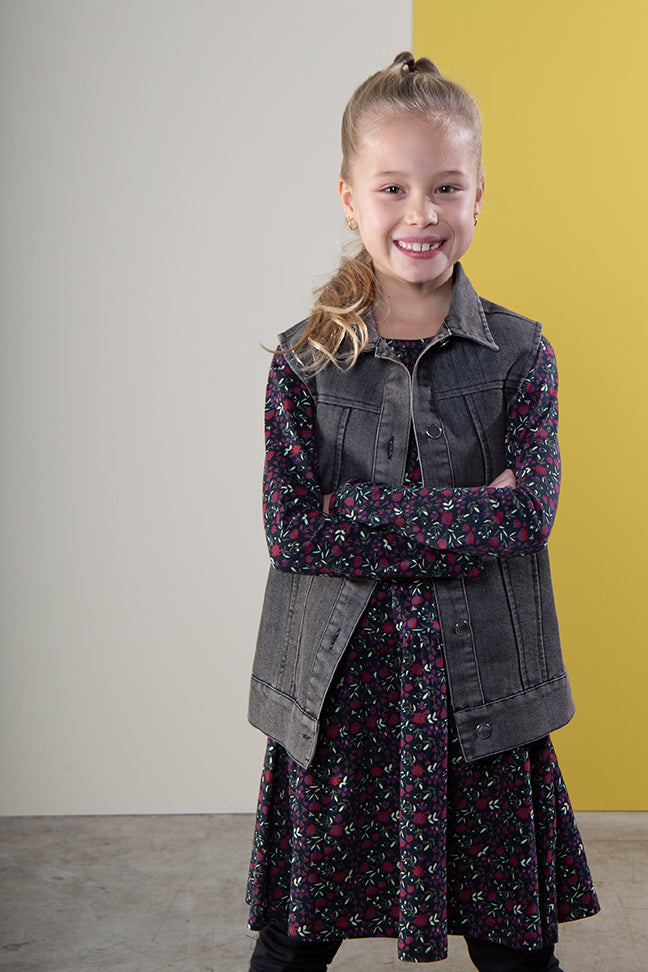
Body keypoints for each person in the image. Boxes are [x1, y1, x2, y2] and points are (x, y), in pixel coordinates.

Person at [245, 52, 599, 971]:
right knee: (294, 944)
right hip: (340, 700)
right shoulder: (303, 361)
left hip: (484, 698)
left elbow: (528, 517)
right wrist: (467, 515)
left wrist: (357, 510)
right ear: (349, 197)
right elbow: (293, 532)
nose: (421, 214)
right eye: (392, 188)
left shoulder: (522, 355)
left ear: (479, 194)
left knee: (516, 949)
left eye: (445, 187)